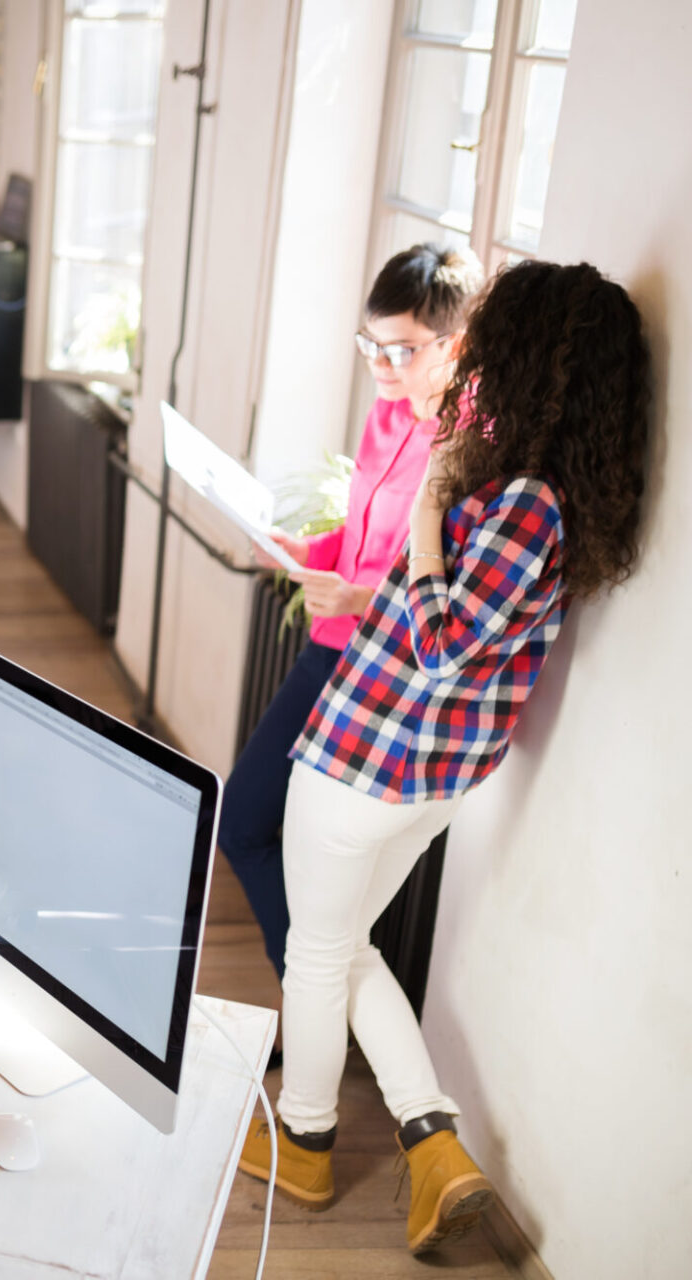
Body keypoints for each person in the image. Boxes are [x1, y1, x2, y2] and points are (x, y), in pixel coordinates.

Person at [238, 261, 652, 1254]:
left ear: (533, 363)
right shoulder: (534, 491)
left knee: (319, 952)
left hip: (365, 761)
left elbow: (439, 639)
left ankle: (305, 1136)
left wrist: (427, 517)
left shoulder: (526, 504)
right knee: (346, 947)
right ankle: (432, 1140)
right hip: (420, 772)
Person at [220, 244, 483, 976]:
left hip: (389, 669)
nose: (380, 365)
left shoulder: (470, 445)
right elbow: (366, 535)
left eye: (399, 350)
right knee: (242, 822)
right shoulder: (387, 414)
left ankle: (315, 989)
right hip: (333, 644)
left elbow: (455, 586)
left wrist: (365, 597)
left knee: (279, 843)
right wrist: (312, 547)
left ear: (453, 344)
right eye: (371, 344)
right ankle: (314, 983)